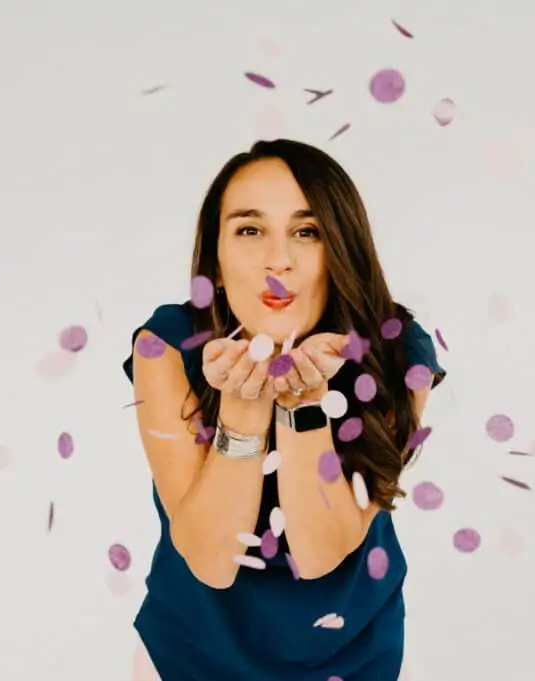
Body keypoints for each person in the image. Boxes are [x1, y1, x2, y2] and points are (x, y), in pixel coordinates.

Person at [122, 138, 446, 681]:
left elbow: (321, 554)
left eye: (307, 231)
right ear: (216, 264)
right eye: (250, 230)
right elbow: (209, 559)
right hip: (188, 656)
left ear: (341, 250)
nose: (280, 260)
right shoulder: (169, 345)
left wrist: (302, 404)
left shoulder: (396, 350)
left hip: (357, 656)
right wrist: (243, 409)